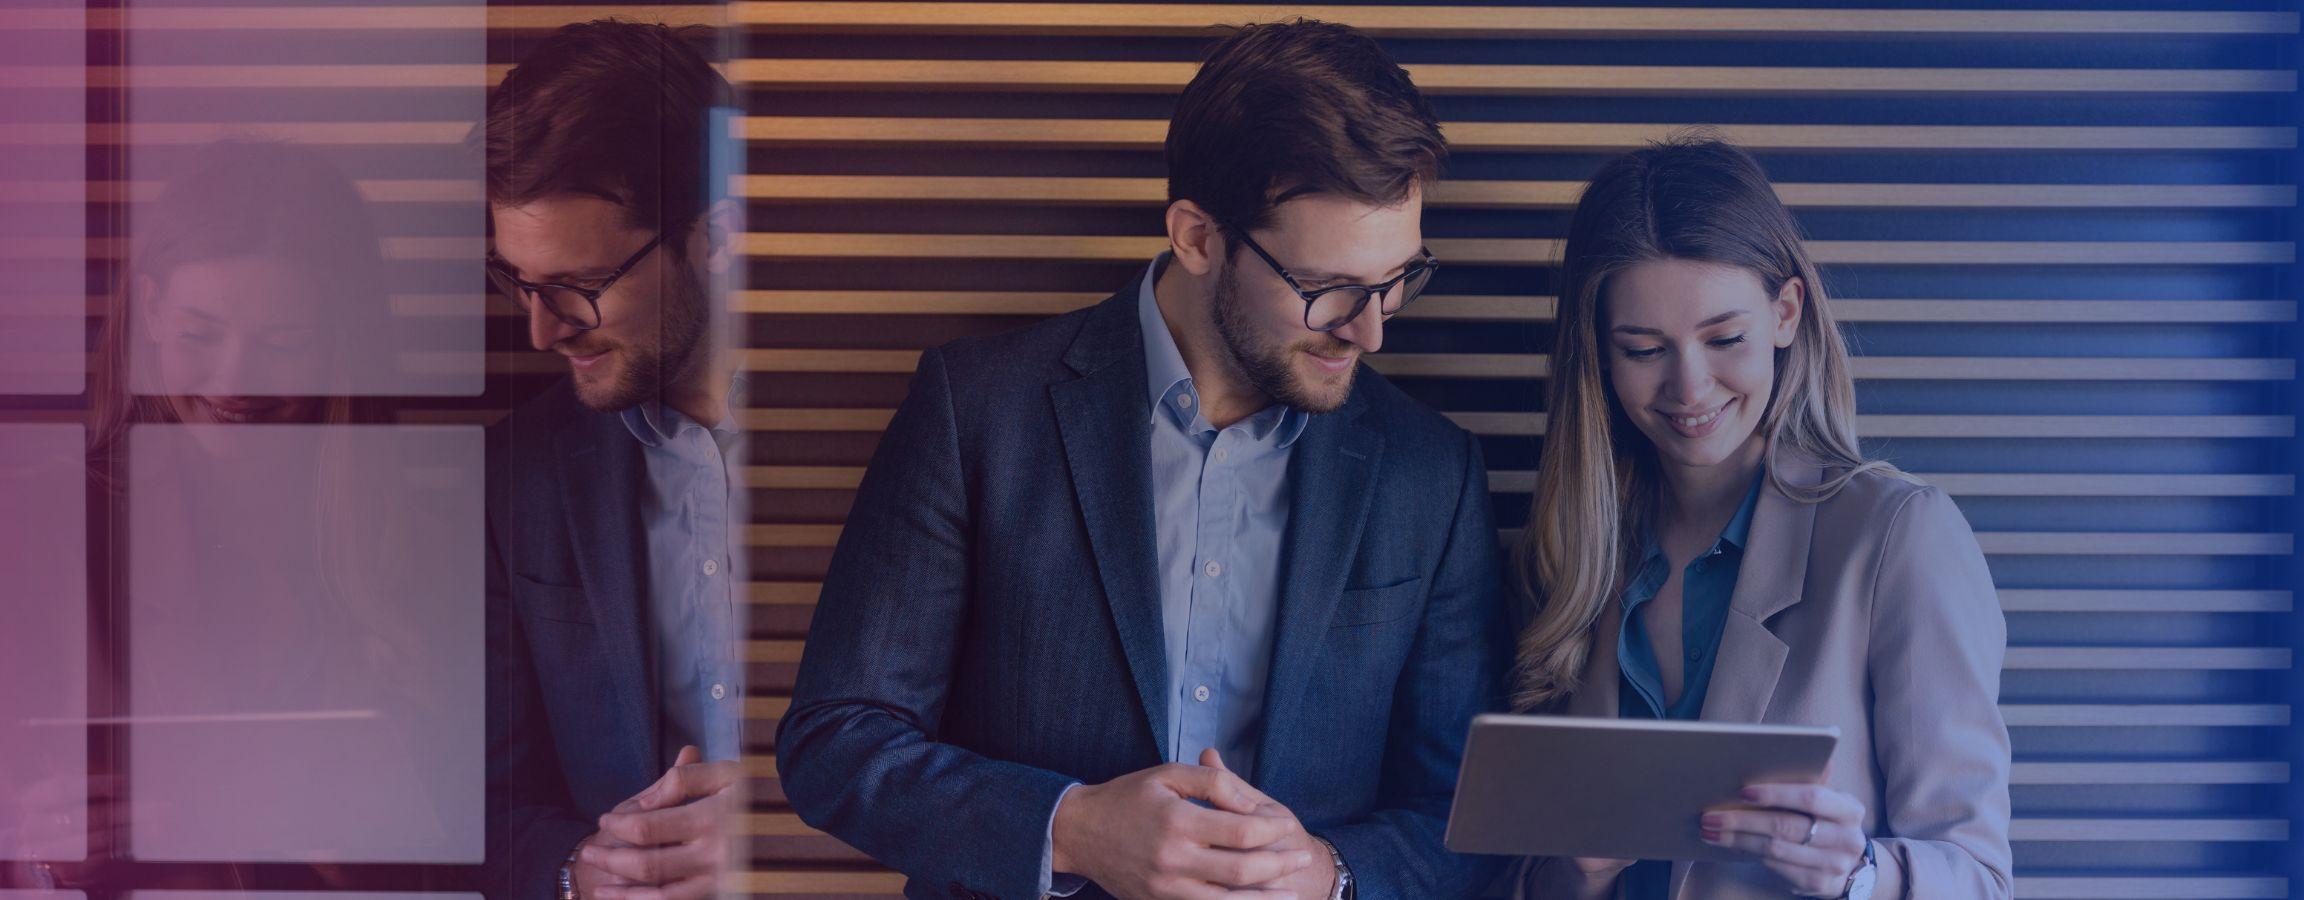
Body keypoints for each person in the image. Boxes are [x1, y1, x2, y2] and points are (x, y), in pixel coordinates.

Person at [778, 19, 1509, 900]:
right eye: (1327, 290)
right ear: (1198, 237)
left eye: (1397, 279)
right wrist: (1071, 829)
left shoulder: (1433, 476)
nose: (1372, 329)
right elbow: (837, 739)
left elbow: (1465, 812)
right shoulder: (973, 412)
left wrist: (1332, 874)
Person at [1508, 135, 2012, 899]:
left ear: (1785, 313)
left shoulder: (1897, 537)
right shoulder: (1565, 554)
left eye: (1725, 339)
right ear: (1599, 355)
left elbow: (1979, 876)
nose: (1689, 387)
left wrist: (1859, 874)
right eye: (1643, 348)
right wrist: (1570, 875)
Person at [475, 20, 751, 900]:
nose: (542, 329)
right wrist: (579, 871)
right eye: (519, 281)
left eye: (579, 286)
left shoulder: (902, 433)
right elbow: (481, 801)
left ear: (717, 239)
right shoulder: (511, 478)